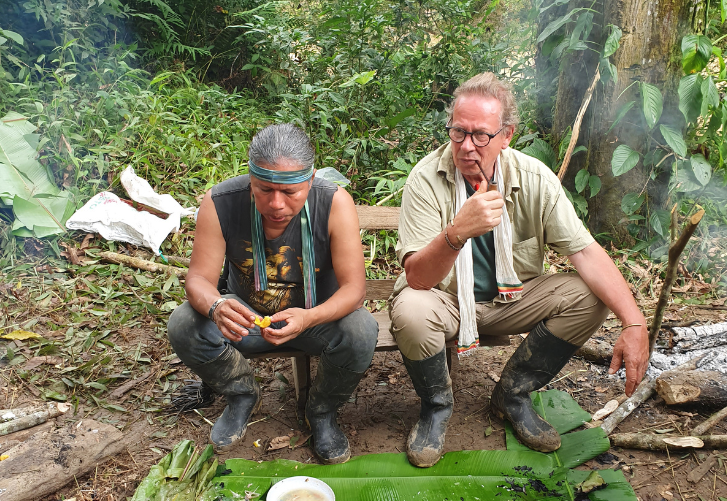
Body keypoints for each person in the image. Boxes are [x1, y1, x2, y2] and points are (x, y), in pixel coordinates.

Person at [389, 72, 649, 468]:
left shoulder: (532, 178)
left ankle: (512, 394)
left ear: (506, 134)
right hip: (444, 302)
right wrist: (457, 234)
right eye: (458, 132)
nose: (466, 146)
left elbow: (586, 253)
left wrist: (634, 324)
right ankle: (435, 407)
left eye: (480, 136)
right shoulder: (426, 178)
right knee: (411, 310)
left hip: (512, 301)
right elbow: (418, 278)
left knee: (589, 297)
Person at [168, 123, 378, 464]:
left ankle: (322, 411)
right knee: (184, 324)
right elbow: (198, 280)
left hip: (314, 319)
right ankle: (241, 394)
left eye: (290, 192)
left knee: (361, 331)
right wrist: (218, 305)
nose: (276, 203)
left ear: (309, 181)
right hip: (246, 319)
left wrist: (310, 317)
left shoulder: (334, 203)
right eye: (264, 190)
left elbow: (355, 290)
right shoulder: (220, 202)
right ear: (250, 179)